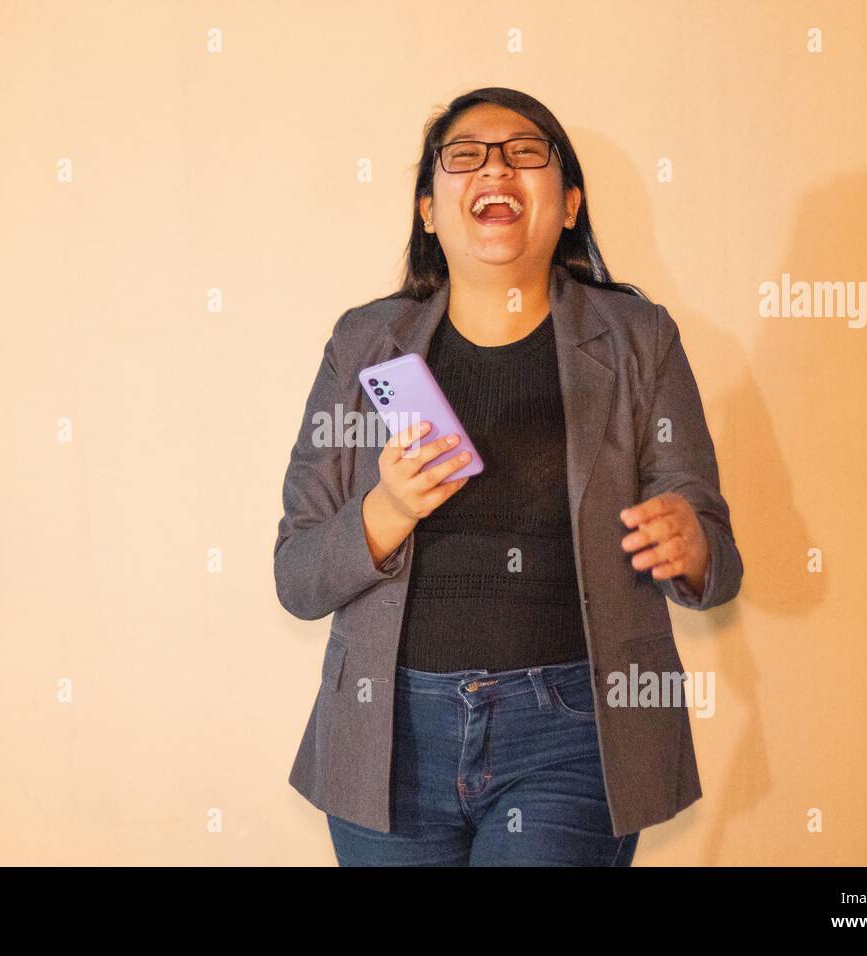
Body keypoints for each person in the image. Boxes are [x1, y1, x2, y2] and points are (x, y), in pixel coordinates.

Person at [274, 87, 744, 866]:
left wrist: (692, 543)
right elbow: (297, 574)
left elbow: (715, 556)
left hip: (573, 734)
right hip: (387, 735)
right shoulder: (364, 344)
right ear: (430, 209)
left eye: (526, 152)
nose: (496, 166)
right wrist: (386, 511)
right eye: (465, 156)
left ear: (568, 204)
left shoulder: (638, 339)